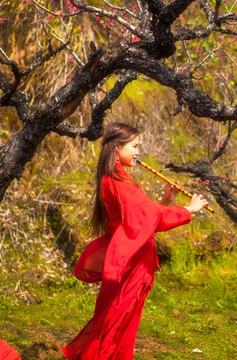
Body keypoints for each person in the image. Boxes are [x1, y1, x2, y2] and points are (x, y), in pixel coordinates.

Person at [62, 123, 208, 360]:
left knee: (118, 320)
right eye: (135, 146)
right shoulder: (117, 179)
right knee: (115, 323)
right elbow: (145, 218)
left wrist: (165, 201)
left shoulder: (116, 176)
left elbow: (141, 219)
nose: (138, 152)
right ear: (117, 149)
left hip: (127, 258)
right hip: (130, 263)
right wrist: (188, 209)